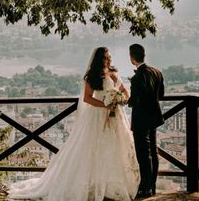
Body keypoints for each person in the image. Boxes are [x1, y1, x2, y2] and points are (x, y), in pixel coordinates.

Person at [8, 47, 140, 201]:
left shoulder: (114, 72)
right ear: (99, 59)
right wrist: (105, 104)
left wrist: (121, 99)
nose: (110, 60)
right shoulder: (92, 76)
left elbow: (124, 90)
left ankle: (110, 185)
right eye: (106, 58)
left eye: (110, 57)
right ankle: (93, 185)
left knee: (115, 148)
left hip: (116, 116)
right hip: (97, 115)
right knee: (93, 149)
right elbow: (87, 98)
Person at [128, 43, 164, 199]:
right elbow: (161, 95)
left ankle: (145, 188)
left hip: (141, 120)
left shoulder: (137, 78)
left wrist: (126, 100)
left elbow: (134, 101)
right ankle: (152, 185)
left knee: (143, 154)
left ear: (132, 58)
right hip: (154, 118)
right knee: (153, 152)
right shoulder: (157, 72)